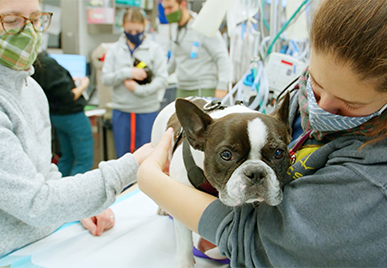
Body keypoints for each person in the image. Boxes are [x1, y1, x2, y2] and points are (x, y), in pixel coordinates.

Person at [138, 0, 387, 266]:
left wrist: (155, 184)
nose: (320, 108)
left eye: (350, 105)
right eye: (314, 83)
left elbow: (261, 243)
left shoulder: (373, 180)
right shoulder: (296, 102)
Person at [0, 0, 153, 265]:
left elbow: (45, 174)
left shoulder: (31, 90)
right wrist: (131, 166)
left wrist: (76, 209)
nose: (28, 32)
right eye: (11, 20)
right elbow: (36, 203)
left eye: (35, 19)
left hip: (49, 240)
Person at [101, 8, 168, 158]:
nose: (133, 34)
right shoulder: (114, 50)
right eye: (129, 30)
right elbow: (105, 78)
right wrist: (127, 72)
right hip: (122, 110)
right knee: (123, 158)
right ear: (123, 26)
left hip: (147, 111)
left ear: (144, 25)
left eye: (137, 30)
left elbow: (162, 79)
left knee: (147, 157)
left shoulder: (154, 50)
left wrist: (138, 90)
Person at [32, 51, 94, 176]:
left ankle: (58, 187)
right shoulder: (47, 63)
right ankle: (77, 192)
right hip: (72, 116)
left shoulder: (34, 64)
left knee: (67, 157)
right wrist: (83, 85)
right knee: (84, 159)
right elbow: (69, 96)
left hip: (56, 116)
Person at [162, 0, 231, 99]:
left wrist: (222, 86)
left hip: (203, 89)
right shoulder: (175, 28)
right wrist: (158, 76)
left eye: (170, 8)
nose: (167, 12)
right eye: (165, 8)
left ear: (183, 4)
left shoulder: (203, 26)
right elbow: (175, 61)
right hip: (182, 89)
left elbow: (222, 57)